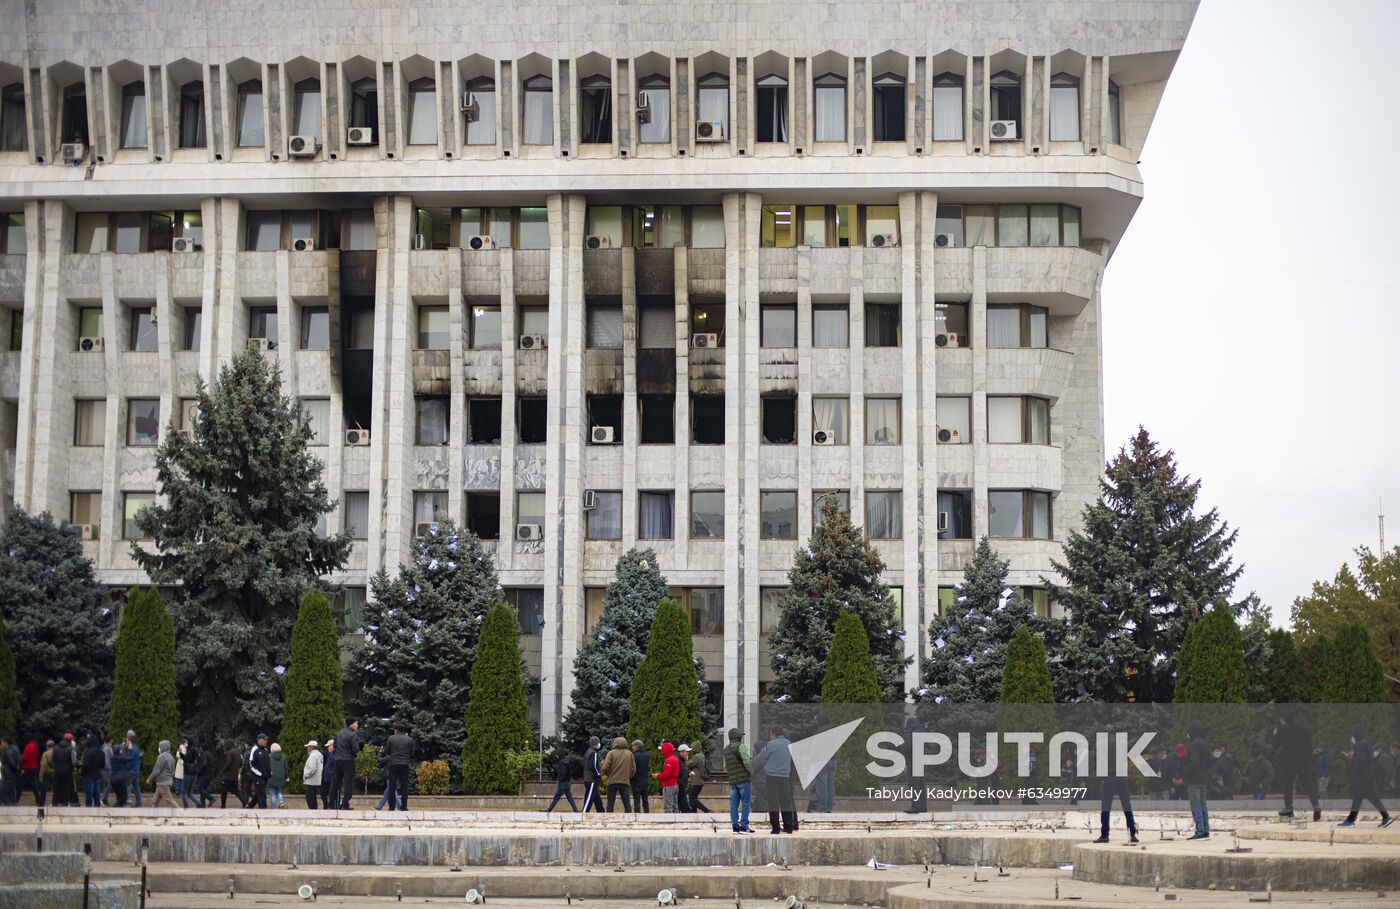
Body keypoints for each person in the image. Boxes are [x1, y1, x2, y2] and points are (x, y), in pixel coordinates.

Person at [1340, 724, 1393, 828]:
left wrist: (1353, 766)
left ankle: (1350, 821)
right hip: (1368, 777)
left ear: (1356, 734)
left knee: (1357, 799)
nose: (1351, 738)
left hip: (1361, 778)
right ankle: (1386, 816)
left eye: (1351, 735)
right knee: (1373, 799)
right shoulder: (1365, 743)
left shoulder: (1360, 744)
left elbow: (1360, 762)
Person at [1274, 711, 1321, 821]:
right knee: (1307, 783)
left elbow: (1276, 745)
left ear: (1284, 720)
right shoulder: (1303, 730)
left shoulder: (1283, 730)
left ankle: (1289, 808)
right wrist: (1308, 759)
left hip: (1289, 760)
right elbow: (1310, 746)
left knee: (1288, 784)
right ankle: (1316, 805)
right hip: (1303, 760)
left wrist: (1275, 734)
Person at [1092, 735, 1139, 845]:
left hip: (1110, 779)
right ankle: (1132, 834)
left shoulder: (1102, 747)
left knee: (1106, 807)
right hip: (1122, 779)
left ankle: (1104, 835)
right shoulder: (1121, 747)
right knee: (1127, 806)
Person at [754, 727, 797, 834]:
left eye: (770, 734)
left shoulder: (771, 744)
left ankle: (776, 828)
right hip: (785, 776)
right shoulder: (789, 743)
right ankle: (788, 826)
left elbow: (762, 757)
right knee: (785, 801)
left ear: (773, 734)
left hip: (772, 776)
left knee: (773, 802)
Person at [1184, 722, 1211, 839]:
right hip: (1203, 779)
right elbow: (1210, 761)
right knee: (1203, 805)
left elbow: (1193, 762)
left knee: (1196, 805)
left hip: (1194, 780)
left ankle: (1199, 830)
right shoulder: (1205, 744)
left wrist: (1186, 774)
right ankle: (1205, 829)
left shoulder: (1194, 744)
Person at [723, 728, 753, 834]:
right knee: (745, 803)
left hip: (732, 781)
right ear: (738, 736)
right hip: (743, 780)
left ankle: (735, 825)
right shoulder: (741, 746)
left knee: (733, 804)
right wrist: (752, 772)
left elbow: (726, 766)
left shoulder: (726, 749)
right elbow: (746, 761)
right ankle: (744, 825)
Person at [383, 724, 415, 812]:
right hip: (405, 764)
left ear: (396, 730)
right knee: (404, 786)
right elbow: (412, 753)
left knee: (392, 786)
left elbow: (386, 751)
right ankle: (404, 807)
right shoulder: (410, 739)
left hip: (393, 764)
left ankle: (391, 807)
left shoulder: (391, 738)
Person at [599, 736, 635, 813]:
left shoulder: (611, 753)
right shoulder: (629, 754)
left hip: (612, 781)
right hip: (624, 781)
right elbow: (633, 769)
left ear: (615, 743)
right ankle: (628, 819)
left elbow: (605, 767)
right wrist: (628, 776)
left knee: (610, 803)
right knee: (626, 803)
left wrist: (605, 774)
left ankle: (609, 818)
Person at [333, 718, 360, 809]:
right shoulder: (353, 735)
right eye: (355, 723)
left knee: (335, 782)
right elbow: (356, 749)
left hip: (338, 760)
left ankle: (331, 803)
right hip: (348, 761)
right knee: (348, 783)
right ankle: (345, 804)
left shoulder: (338, 733)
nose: (357, 725)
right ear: (350, 724)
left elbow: (334, 746)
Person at [147, 740, 180, 809]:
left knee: (169, 801)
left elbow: (157, 770)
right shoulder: (171, 757)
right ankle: (153, 813)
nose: (159, 748)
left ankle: (180, 812)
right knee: (155, 801)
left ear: (163, 747)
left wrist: (149, 779)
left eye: (160, 746)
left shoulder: (161, 756)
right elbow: (173, 771)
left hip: (162, 782)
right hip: (167, 781)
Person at [654, 741, 682, 814]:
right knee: (675, 806)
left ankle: (669, 823)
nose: (662, 752)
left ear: (666, 750)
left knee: (668, 807)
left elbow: (666, 774)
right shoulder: (675, 758)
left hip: (669, 786)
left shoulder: (669, 760)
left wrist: (657, 776)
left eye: (663, 750)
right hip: (675, 785)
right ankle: (677, 822)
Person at [685, 741, 710, 813]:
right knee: (693, 798)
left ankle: (706, 810)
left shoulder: (696, 757)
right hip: (701, 780)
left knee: (692, 798)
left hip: (696, 781)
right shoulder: (702, 755)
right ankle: (694, 813)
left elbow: (687, 764)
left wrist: (686, 758)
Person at [81, 733, 105, 807]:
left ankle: (89, 809)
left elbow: (85, 765)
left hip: (89, 775)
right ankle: (97, 807)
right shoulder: (101, 752)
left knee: (89, 794)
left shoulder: (88, 751)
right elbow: (103, 765)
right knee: (96, 794)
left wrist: (82, 773)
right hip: (97, 775)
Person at [581, 737, 604, 813]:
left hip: (588, 779)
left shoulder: (588, 752)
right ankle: (584, 814)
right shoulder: (593, 753)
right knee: (589, 798)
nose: (599, 745)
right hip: (592, 780)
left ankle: (601, 813)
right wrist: (598, 775)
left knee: (597, 799)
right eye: (598, 743)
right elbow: (593, 766)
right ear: (594, 745)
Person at [219, 740, 245, 808]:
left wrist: (223, 771)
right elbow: (241, 763)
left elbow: (228, 763)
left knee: (223, 791)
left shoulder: (230, 752)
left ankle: (223, 805)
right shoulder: (238, 752)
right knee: (236, 790)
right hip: (235, 775)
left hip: (228, 776)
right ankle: (245, 802)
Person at [248, 733, 271, 808]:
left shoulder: (265, 750)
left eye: (266, 739)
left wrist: (269, 772)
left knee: (258, 795)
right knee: (262, 795)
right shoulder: (255, 749)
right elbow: (251, 764)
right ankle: (263, 810)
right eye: (264, 739)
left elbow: (267, 763)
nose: (266, 741)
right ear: (259, 740)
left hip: (265, 777)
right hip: (257, 776)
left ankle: (249, 808)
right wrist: (259, 774)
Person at [109, 738, 134, 807]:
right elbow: (132, 757)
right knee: (124, 797)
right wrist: (130, 749)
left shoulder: (112, 757)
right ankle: (114, 808)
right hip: (120, 780)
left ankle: (117, 809)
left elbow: (119, 752)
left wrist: (122, 745)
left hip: (113, 780)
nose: (121, 750)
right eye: (120, 749)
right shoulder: (121, 758)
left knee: (119, 797)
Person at [629, 741, 650, 814]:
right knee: (645, 801)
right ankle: (647, 814)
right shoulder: (647, 755)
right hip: (645, 781)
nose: (632, 748)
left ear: (636, 746)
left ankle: (637, 815)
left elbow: (632, 768)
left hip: (636, 781)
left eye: (633, 746)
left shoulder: (633, 756)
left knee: (636, 800)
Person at [194, 739, 216, 808]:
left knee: (200, 787)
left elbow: (204, 764)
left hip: (205, 773)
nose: (200, 749)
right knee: (203, 788)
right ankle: (202, 804)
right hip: (210, 774)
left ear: (203, 748)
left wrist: (199, 770)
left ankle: (211, 798)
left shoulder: (204, 754)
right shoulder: (210, 753)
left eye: (201, 747)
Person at [123, 732, 143, 808]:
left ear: (129, 740)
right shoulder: (137, 748)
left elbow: (129, 760)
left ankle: (122, 801)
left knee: (124, 786)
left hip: (131, 771)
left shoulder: (132, 750)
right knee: (136, 787)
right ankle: (138, 803)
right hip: (136, 770)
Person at [303, 740, 324, 809]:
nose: (307, 748)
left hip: (311, 781)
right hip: (316, 780)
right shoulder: (319, 754)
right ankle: (314, 810)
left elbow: (312, 769)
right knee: (313, 797)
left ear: (311, 747)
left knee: (310, 798)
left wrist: (306, 775)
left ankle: (312, 811)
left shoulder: (313, 756)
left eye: (308, 747)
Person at [0, 735, 21, 805]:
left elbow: (12, 764)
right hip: (13, 774)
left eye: (2, 742)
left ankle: (10, 805)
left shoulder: (7, 752)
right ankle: (13, 805)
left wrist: (18, 770)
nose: (1, 744)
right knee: (12, 792)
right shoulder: (15, 749)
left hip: (8, 775)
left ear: (6, 743)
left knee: (2, 792)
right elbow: (18, 760)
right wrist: (19, 770)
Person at [20, 738, 40, 806]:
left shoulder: (28, 746)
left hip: (27, 767)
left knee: (21, 784)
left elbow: (25, 757)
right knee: (34, 785)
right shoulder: (35, 746)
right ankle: (38, 799)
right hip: (34, 767)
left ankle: (16, 799)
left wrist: (20, 757)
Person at [268, 743, 287, 809]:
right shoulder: (283, 756)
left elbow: (267, 767)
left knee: (272, 792)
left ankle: (273, 807)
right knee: (279, 791)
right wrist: (286, 776)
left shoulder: (269, 756)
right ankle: (281, 802)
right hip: (281, 777)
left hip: (271, 777)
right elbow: (285, 768)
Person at [37, 739, 55, 807]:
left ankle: (41, 804)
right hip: (56, 773)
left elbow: (43, 765)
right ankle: (54, 803)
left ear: (47, 746)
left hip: (48, 773)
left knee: (43, 790)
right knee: (55, 789)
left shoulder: (45, 754)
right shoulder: (57, 752)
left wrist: (41, 775)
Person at [321, 741, 336, 809]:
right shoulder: (324, 753)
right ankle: (326, 805)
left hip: (333, 776)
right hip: (325, 776)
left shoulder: (335, 754)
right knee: (324, 792)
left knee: (332, 792)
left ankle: (331, 805)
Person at [100, 737, 115, 806]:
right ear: (109, 741)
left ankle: (105, 799)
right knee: (109, 783)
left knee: (106, 784)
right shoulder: (107, 748)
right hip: (107, 769)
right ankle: (103, 799)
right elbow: (107, 759)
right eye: (112, 742)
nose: (112, 744)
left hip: (105, 768)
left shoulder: (105, 747)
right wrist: (110, 768)